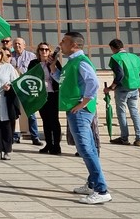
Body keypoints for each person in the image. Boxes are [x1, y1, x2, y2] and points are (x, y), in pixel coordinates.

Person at [52, 31, 111, 204]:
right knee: (89, 148)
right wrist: (54, 68)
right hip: (74, 109)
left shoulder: (81, 61)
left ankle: (101, 190)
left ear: (74, 45)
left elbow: (93, 83)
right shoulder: (71, 62)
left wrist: (83, 103)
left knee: (85, 148)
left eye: (64, 41)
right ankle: (92, 183)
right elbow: (63, 81)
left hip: (80, 111)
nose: (60, 44)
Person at [104, 39, 140, 147]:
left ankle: (124, 138)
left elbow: (120, 75)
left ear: (113, 48)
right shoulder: (135, 57)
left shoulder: (116, 58)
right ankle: (139, 138)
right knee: (135, 113)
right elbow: (139, 74)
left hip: (122, 89)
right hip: (135, 88)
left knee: (121, 113)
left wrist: (111, 87)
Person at [9, 37, 42, 146]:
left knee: (30, 113)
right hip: (13, 87)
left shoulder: (31, 56)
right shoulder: (10, 56)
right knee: (15, 113)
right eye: (15, 44)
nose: (17, 46)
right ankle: (15, 136)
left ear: (24, 45)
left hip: (26, 87)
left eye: (19, 44)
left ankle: (35, 136)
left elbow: (35, 71)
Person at [33, 43, 62, 155]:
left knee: (54, 120)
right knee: (45, 120)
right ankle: (49, 144)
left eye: (46, 49)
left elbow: (60, 77)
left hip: (53, 94)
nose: (44, 51)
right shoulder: (34, 63)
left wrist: (51, 65)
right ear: (38, 51)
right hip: (40, 94)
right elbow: (30, 77)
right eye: (41, 49)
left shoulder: (55, 63)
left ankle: (57, 145)